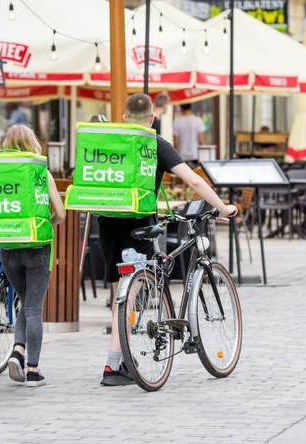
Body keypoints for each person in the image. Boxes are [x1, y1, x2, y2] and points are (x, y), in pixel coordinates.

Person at [98, 93, 237, 386]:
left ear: (123, 117)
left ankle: (117, 359)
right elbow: (195, 181)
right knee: (132, 294)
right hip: (139, 223)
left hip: (107, 222)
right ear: (152, 119)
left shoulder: (110, 142)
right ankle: (113, 366)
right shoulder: (156, 145)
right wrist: (223, 207)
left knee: (119, 295)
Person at [1, 124, 66, 386]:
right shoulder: (42, 173)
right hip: (37, 247)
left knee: (25, 303)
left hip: (8, 247)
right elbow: (60, 214)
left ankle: (17, 351)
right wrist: (45, 223)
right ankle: (33, 370)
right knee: (32, 308)